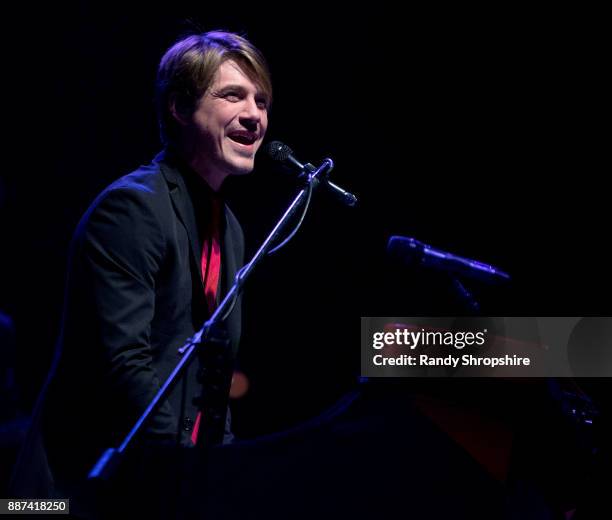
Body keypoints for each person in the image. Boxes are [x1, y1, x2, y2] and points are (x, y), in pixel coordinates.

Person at [10, 30, 271, 507]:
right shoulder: (132, 207)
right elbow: (125, 368)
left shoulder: (228, 227)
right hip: (83, 491)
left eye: (261, 100)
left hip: (169, 484)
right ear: (178, 106)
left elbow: (214, 378)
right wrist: (188, 470)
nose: (254, 114)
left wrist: (230, 474)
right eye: (233, 95)